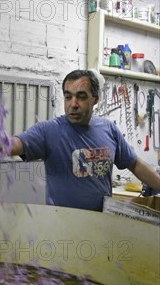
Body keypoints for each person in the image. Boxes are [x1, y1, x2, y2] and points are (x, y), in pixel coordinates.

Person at [9, 69, 160, 211]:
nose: (73, 104)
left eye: (81, 97)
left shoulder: (109, 129)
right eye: (68, 97)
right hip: (62, 225)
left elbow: (134, 163)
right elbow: (14, 146)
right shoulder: (48, 131)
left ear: (95, 99)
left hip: (102, 224)